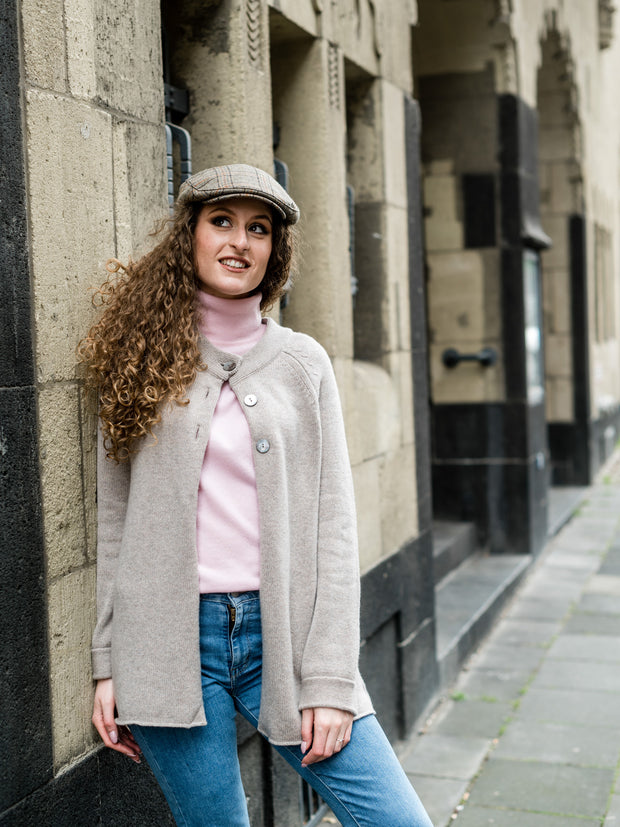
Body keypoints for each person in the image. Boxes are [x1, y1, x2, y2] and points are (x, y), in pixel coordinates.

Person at [81, 163, 433, 827]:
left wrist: (330, 680)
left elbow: (335, 527)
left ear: (276, 250)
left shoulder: (304, 364)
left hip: (288, 638)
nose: (239, 240)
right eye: (222, 221)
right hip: (168, 640)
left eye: (258, 228)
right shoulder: (142, 357)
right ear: (190, 235)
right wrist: (109, 663)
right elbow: (117, 522)